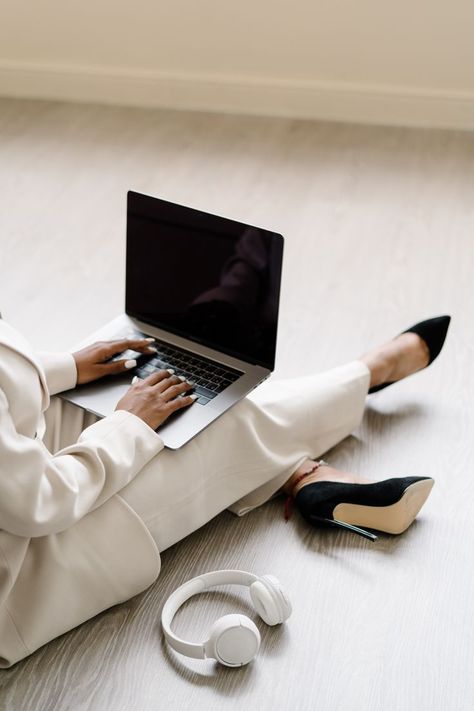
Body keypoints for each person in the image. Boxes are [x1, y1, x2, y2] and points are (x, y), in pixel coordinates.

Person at [0, 314, 450, 667]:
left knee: (167, 400)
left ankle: (305, 473)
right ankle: (368, 376)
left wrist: (58, 369)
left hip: (18, 476)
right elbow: (43, 501)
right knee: (216, 421)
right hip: (29, 570)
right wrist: (131, 423)